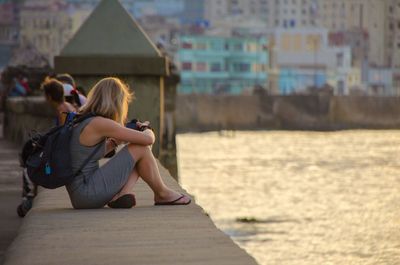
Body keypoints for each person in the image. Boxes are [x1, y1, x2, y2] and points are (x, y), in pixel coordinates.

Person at [66, 77, 191, 209]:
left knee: (137, 151)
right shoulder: (99, 123)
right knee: (140, 148)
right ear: (116, 102)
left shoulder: (83, 119)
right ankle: (162, 193)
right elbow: (148, 140)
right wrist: (146, 129)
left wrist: (113, 143)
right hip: (87, 193)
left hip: (81, 194)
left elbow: (87, 156)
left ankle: (124, 193)